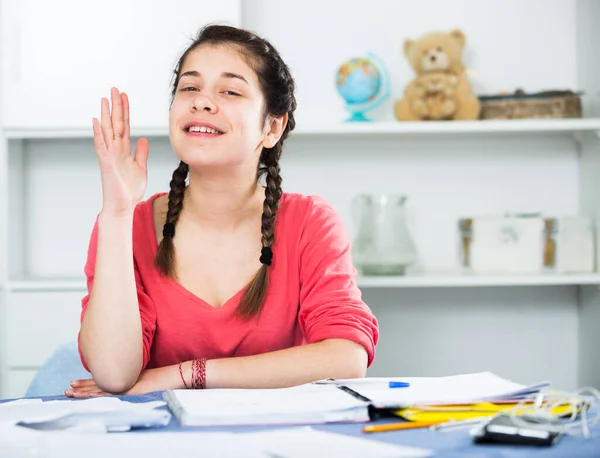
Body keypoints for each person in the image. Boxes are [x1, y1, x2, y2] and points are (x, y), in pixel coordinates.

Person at [66, 24, 379, 398]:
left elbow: (346, 357)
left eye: (230, 91)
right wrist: (117, 213)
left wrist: (184, 375)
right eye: (189, 88)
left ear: (272, 127)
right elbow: (115, 375)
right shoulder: (127, 226)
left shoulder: (310, 222)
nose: (202, 102)